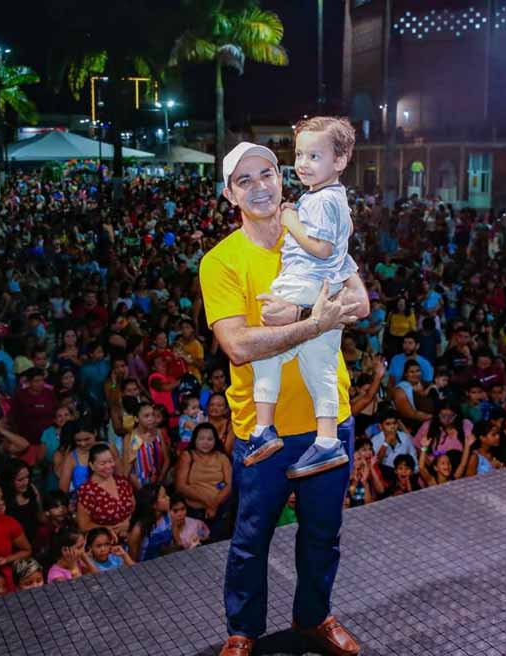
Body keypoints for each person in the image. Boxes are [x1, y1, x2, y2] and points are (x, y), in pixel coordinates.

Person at [200, 141, 366, 656]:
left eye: (266, 173)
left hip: (327, 419)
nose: (259, 186)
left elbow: (359, 301)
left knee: (323, 534)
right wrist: (318, 321)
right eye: (244, 180)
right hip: (260, 428)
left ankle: (314, 618)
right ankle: (243, 631)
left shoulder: (320, 233)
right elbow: (238, 344)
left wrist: (295, 321)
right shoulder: (221, 261)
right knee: (251, 541)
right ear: (230, 195)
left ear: (282, 177)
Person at [245, 117, 359, 477]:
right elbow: (342, 238)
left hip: (304, 281)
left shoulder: (322, 200)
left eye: (314, 155)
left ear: (340, 161)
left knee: (266, 349)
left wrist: (291, 222)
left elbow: (323, 249)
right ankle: (327, 441)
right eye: (299, 155)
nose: (303, 163)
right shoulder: (332, 198)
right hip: (326, 288)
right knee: (321, 368)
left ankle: (263, 429)